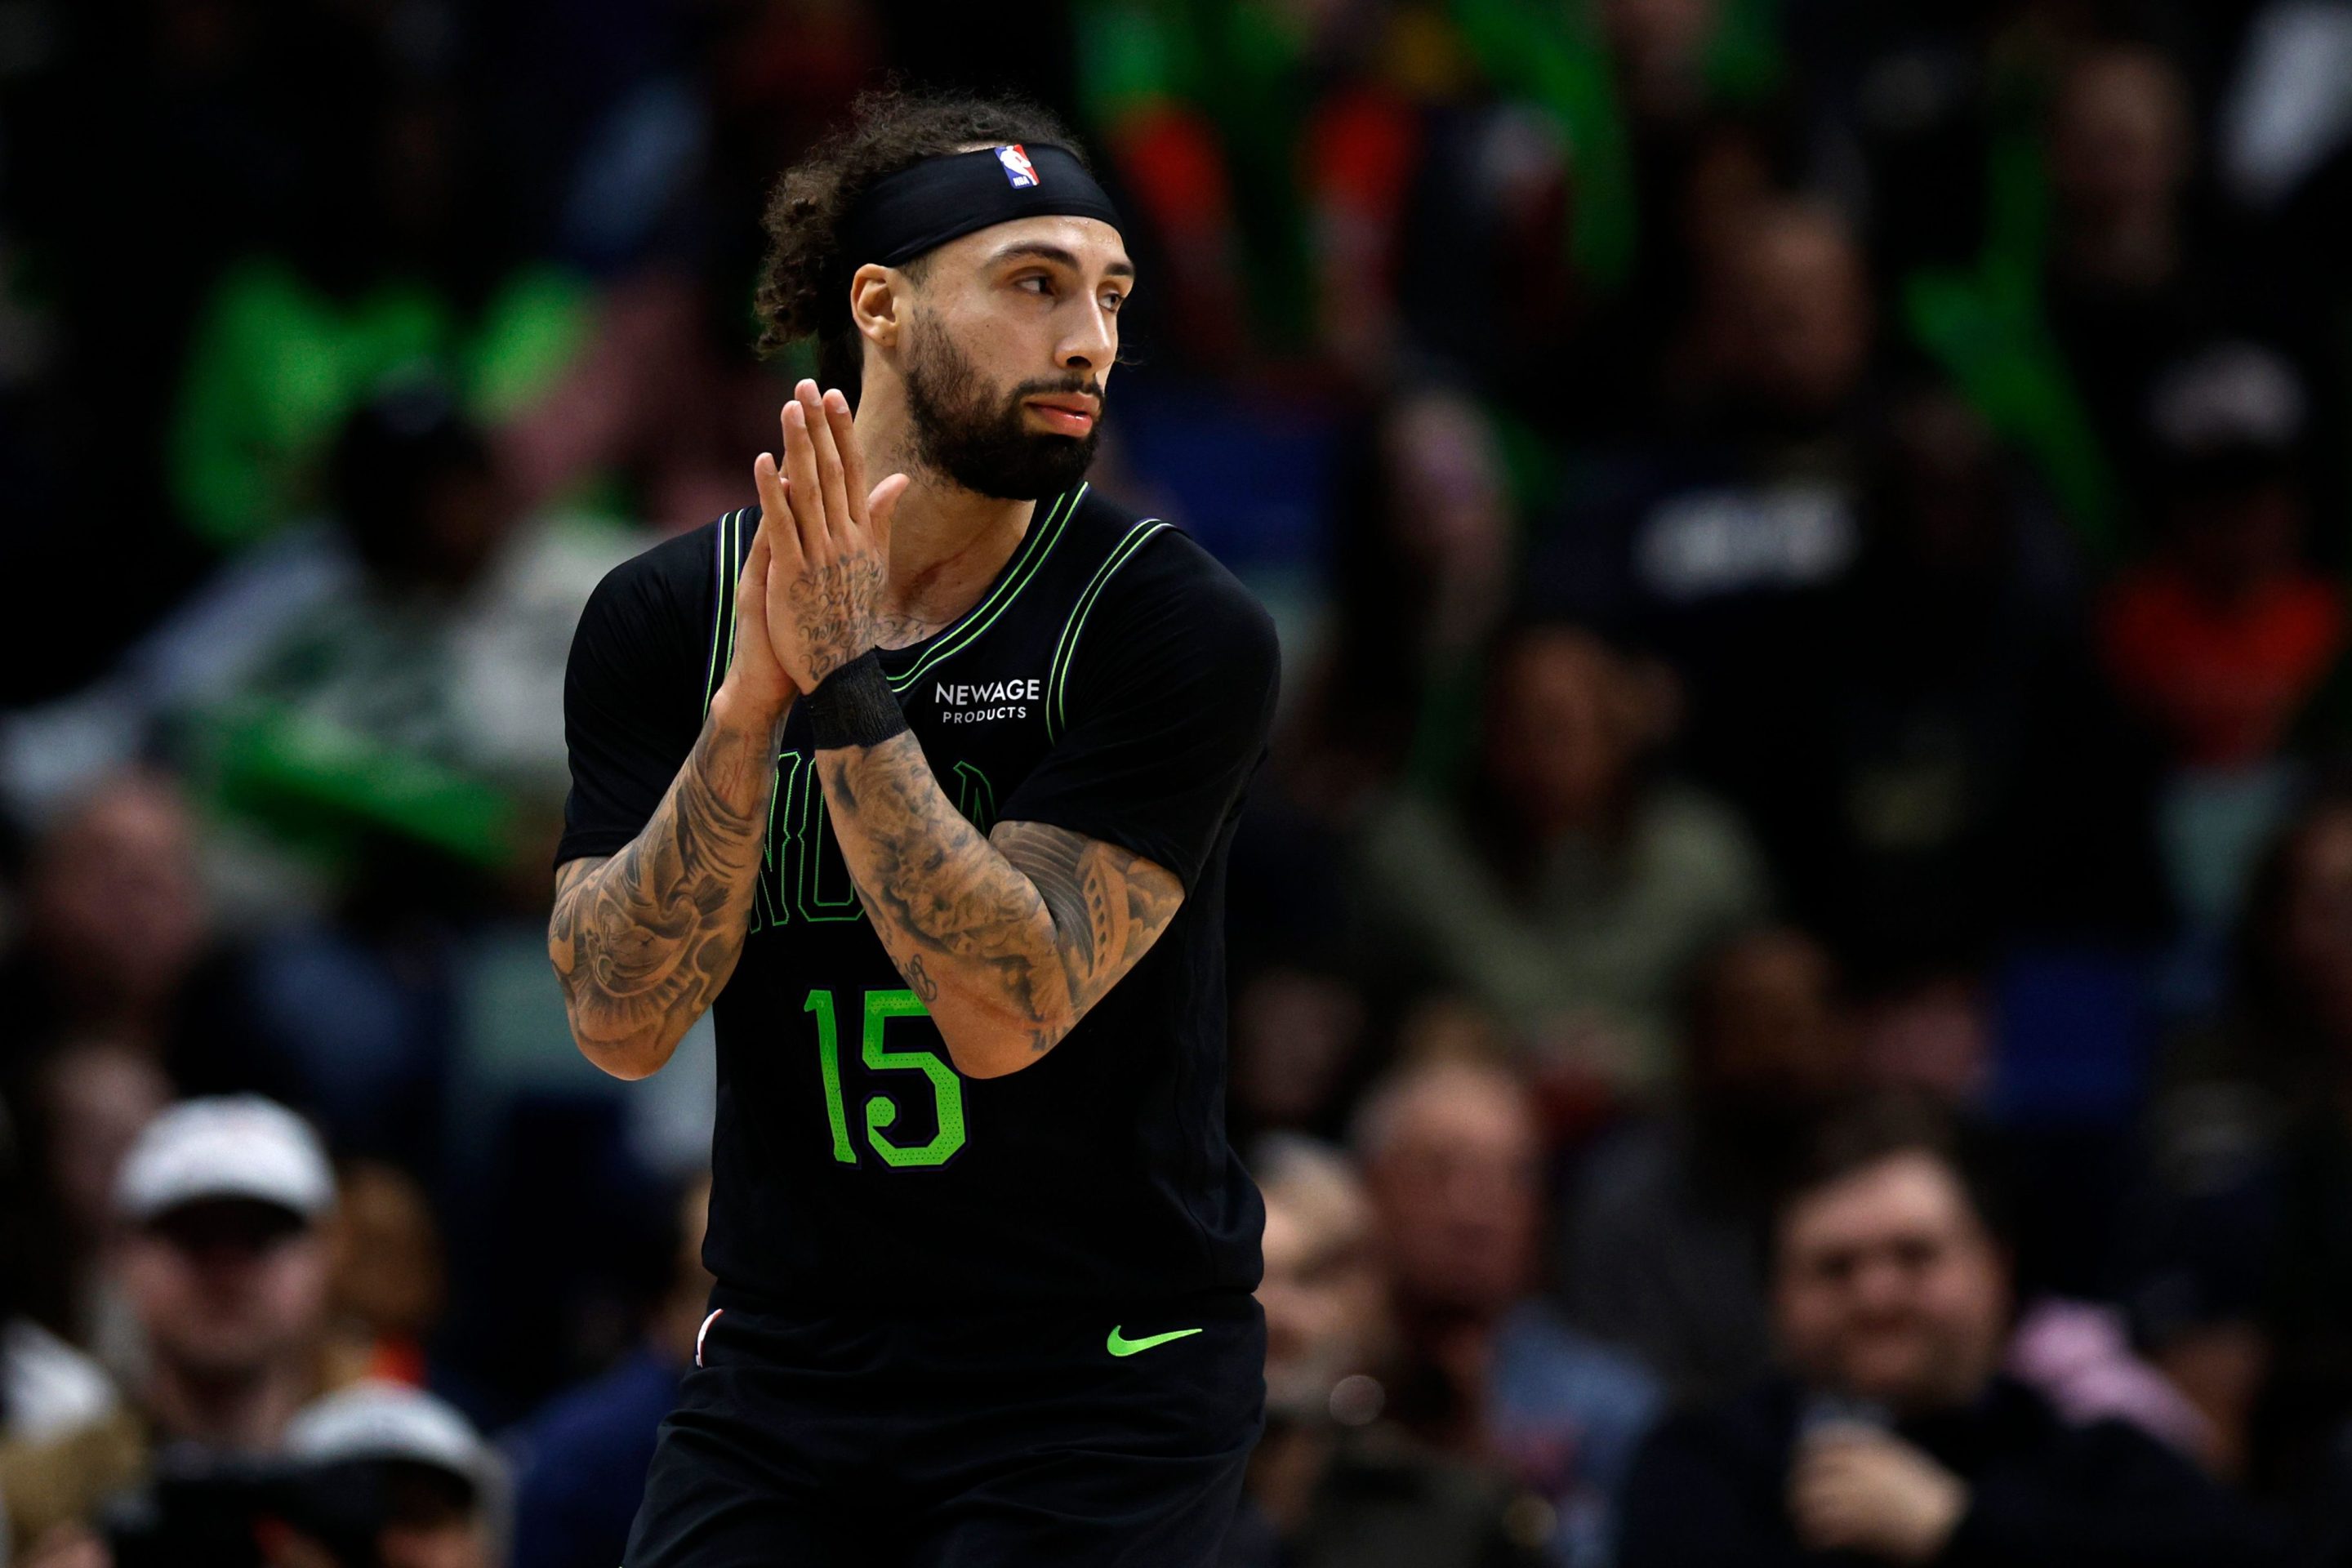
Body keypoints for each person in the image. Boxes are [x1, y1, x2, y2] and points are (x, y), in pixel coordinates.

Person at [548, 88, 1281, 1566]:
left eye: (1112, 294)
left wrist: (839, 681)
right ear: (879, 305)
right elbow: (620, 1021)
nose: (1091, 339)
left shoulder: (1166, 623)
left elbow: (1006, 1006)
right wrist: (748, 710)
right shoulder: (661, 617)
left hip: (1097, 1376)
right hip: (791, 1366)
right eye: (1033, 285)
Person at [1618, 1096, 2279, 1566]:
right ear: (1775, 1298)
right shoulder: (1700, 1466)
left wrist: (1962, 1534)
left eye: (1916, 1256)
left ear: (1996, 1268)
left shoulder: (2101, 1464)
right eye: (1833, 1268)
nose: (1876, 1297)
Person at [1353, 1058, 1661, 1566]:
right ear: (1369, 1189)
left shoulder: (1610, 1408)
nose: (1473, 1211)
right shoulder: (1302, 1374)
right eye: (1437, 1172)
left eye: (1510, 1177)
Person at [1218, 1136, 1548, 1568]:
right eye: (1252, 1280)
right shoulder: (1141, 1496)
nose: (1277, 1315)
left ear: (1369, 1299)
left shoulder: (1452, 1518)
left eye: (1311, 1277)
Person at [508, 1174, 714, 1568]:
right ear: (660, 1306)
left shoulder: (835, 1423)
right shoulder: (582, 1460)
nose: (754, 1316)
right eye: (713, 1286)